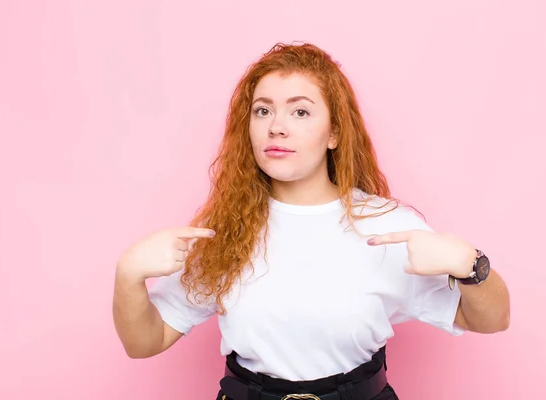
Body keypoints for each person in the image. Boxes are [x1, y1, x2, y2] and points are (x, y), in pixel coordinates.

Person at [112, 42, 511, 400]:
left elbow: (491, 320)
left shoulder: (387, 226)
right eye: (262, 110)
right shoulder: (223, 230)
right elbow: (145, 342)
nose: (277, 126)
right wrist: (128, 275)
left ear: (334, 132)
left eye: (300, 111)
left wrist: (469, 264)